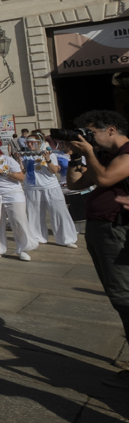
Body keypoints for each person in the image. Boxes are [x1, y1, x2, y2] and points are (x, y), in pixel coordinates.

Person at [66, 110, 129, 388]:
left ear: (111, 129)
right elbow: (76, 184)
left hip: (115, 230)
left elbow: (104, 180)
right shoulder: (104, 157)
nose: (88, 138)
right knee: (118, 296)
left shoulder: (127, 153)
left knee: (123, 296)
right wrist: (76, 157)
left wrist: (89, 152)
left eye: (91, 133)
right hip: (100, 229)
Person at [22, 136, 78, 248]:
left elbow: (54, 171)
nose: (29, 145)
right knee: (34, 214)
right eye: (27, 142)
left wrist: (48, 160)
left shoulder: (50, 154)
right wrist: (19, 160)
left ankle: (66, 238)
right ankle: (37, 237)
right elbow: (24, 171)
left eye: (32, 142)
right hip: (32, 188)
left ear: (39, 143)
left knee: (59, 212)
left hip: (50, 187)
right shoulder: (26, 156)